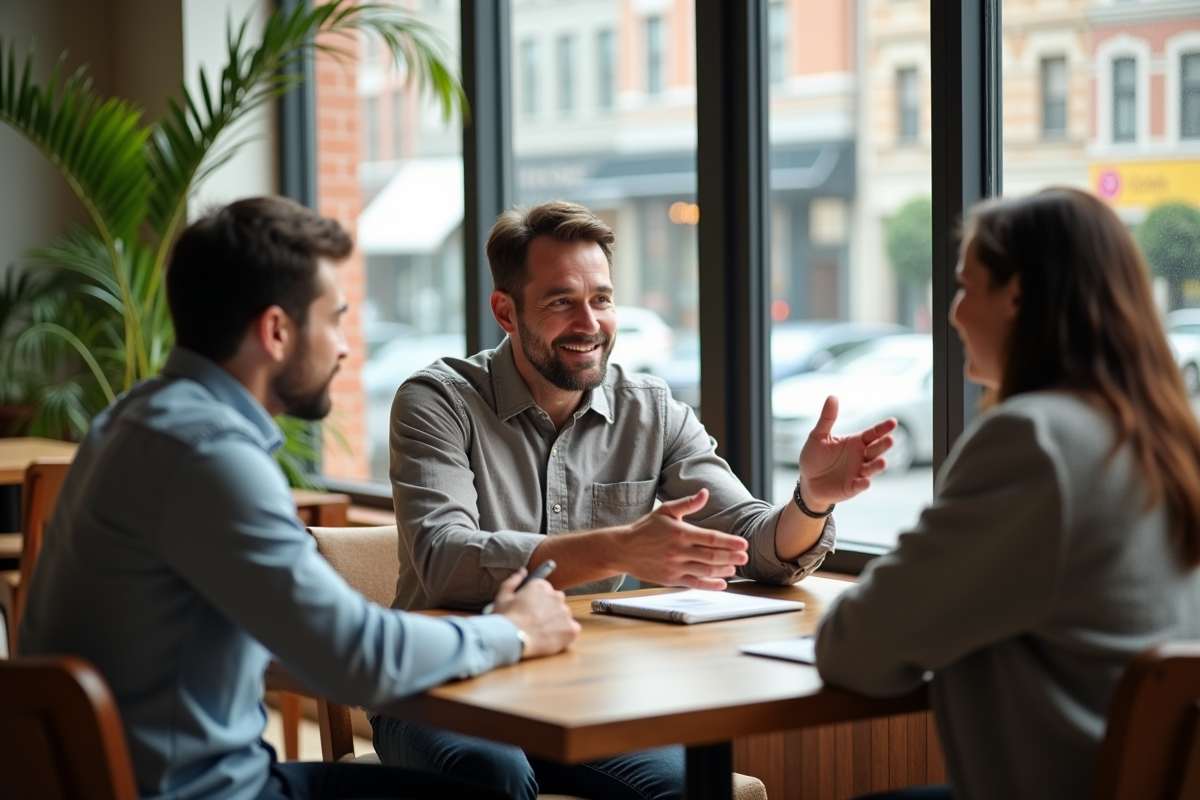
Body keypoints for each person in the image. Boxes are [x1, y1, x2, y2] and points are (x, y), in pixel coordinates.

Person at [18, 196, 580, 800]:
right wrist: (512, 632)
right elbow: (355, 656)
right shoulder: (210, 454)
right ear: (277, 331)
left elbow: (274, 640)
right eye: (334, 320)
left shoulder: (137, 420)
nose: (343, 347)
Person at [374, 199, 897, 800]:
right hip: (441, 686)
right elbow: (446, 560)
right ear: (506, 312)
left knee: (686, 788)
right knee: (492, 775)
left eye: (601, 299)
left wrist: (810, 500)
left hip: (583, 690)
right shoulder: (436, 402)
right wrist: (622, 549)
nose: (590, 322)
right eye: (560, 301)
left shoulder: (653, 409)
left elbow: (751, 543)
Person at [814, 188, 1200, 800]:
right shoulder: (1169, 438)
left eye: (967, 288)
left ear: (1017, 295)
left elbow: (853, 652)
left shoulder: (1036, 441)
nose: (954, 313)